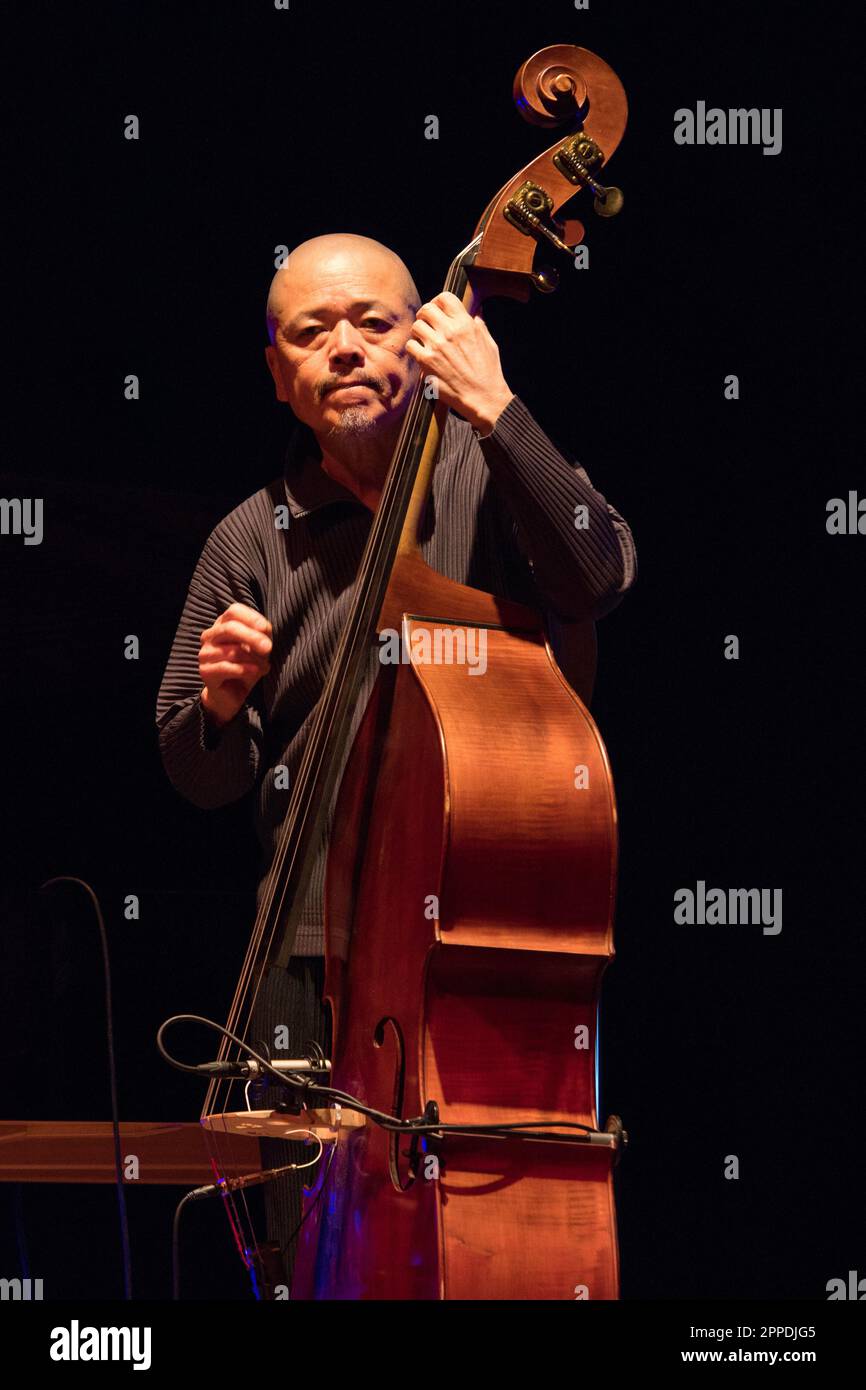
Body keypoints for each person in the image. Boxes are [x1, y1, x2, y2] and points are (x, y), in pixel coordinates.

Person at [155, 232, 637, 1288]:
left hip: (472, 942)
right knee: (302, 1259)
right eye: (309, 334)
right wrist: (222, 704)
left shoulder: (491, 470)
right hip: (300, 954)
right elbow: (199, 771)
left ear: (425, 340)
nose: (344, 350)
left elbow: (597, 569)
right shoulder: (250, 537)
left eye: (373, 322)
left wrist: (500, 410)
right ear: (278, 377)